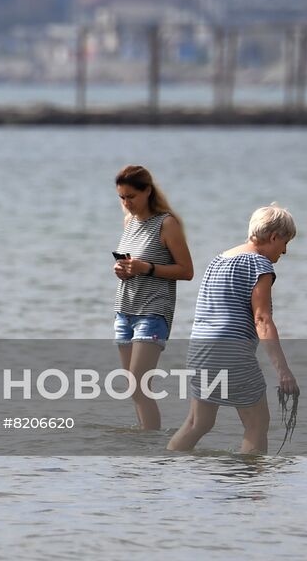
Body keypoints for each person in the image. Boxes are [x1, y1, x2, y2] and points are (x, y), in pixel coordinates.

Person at [168, 203, 299, 454]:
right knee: (257, 424)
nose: (284, 251)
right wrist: (283, 372)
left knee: (198, 422)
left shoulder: (219, 259)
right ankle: (250, 488)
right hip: (232, 352)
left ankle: (164, 472)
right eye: (285, 243)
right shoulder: (260, 266)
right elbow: (262, 319)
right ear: (273, 237)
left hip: (200, 349)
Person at [111, 164, 194, 431]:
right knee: (133, 388)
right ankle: (145, 443)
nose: (126, 203)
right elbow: (133, 264)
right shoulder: (129, 221)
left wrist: (147, 268)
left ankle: (152, 443)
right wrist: (122, 270)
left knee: (138, 383)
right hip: (124, 311)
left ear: (147, 191)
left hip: (153, 313)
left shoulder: (167, 224)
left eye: (131, 197)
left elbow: (187, 271)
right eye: (122, 197)